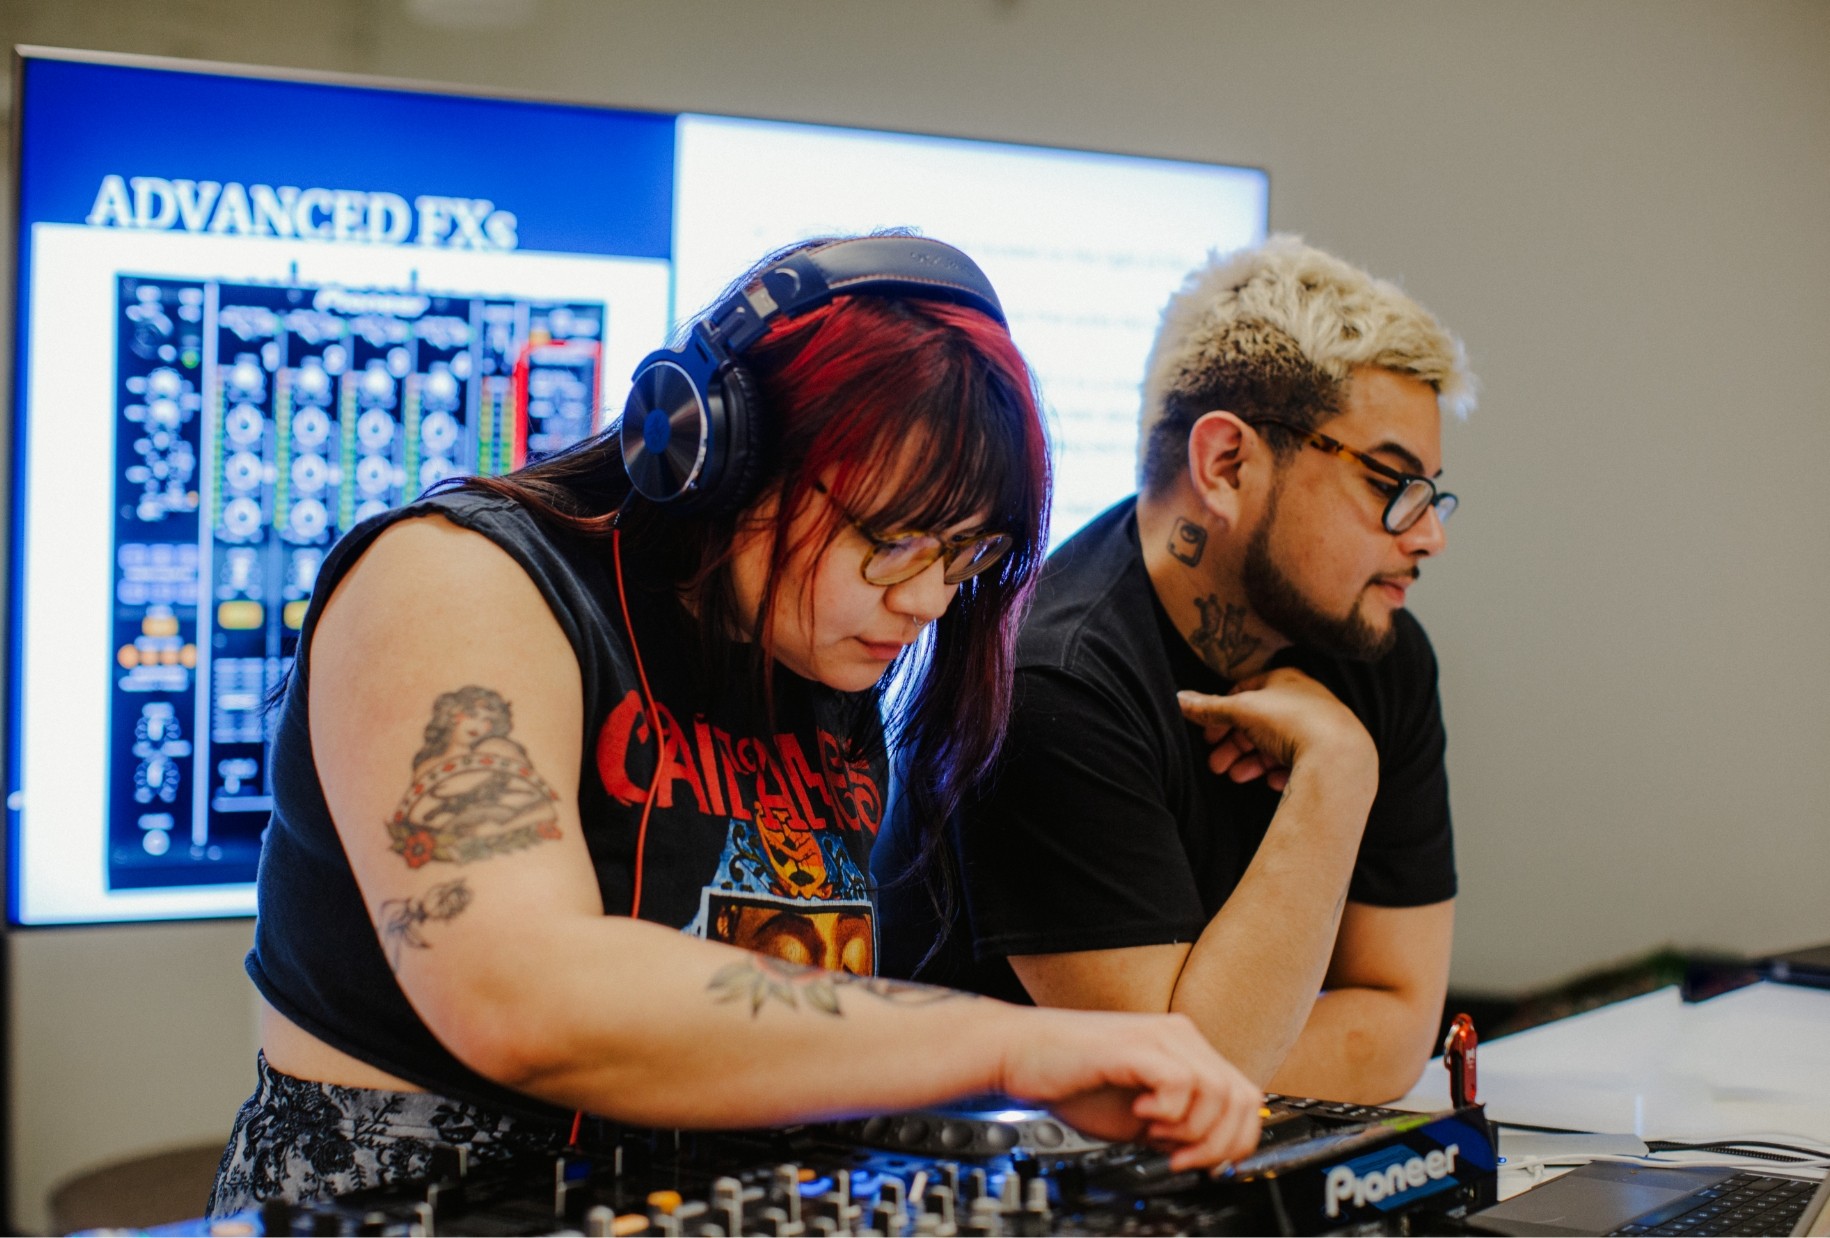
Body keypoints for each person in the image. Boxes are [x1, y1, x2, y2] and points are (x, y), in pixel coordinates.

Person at [207, 236, 1261, 1215]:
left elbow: (778, 1026)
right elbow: (520, 992)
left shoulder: (810, 664)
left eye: (966, 558)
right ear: (719, 454)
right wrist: (1014, 1047)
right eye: (893, 542)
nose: (930, 601)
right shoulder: (453, 581)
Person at [877, 235, 1476, 1105]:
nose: (1427, 535)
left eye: (1431, 494)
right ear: (1226, 464)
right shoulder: (1051, 680)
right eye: (1391, 482)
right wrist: (1338, 773)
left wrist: (1212, 1046)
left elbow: (1394, 1034)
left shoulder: (1376, 651)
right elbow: (1167, 1091)